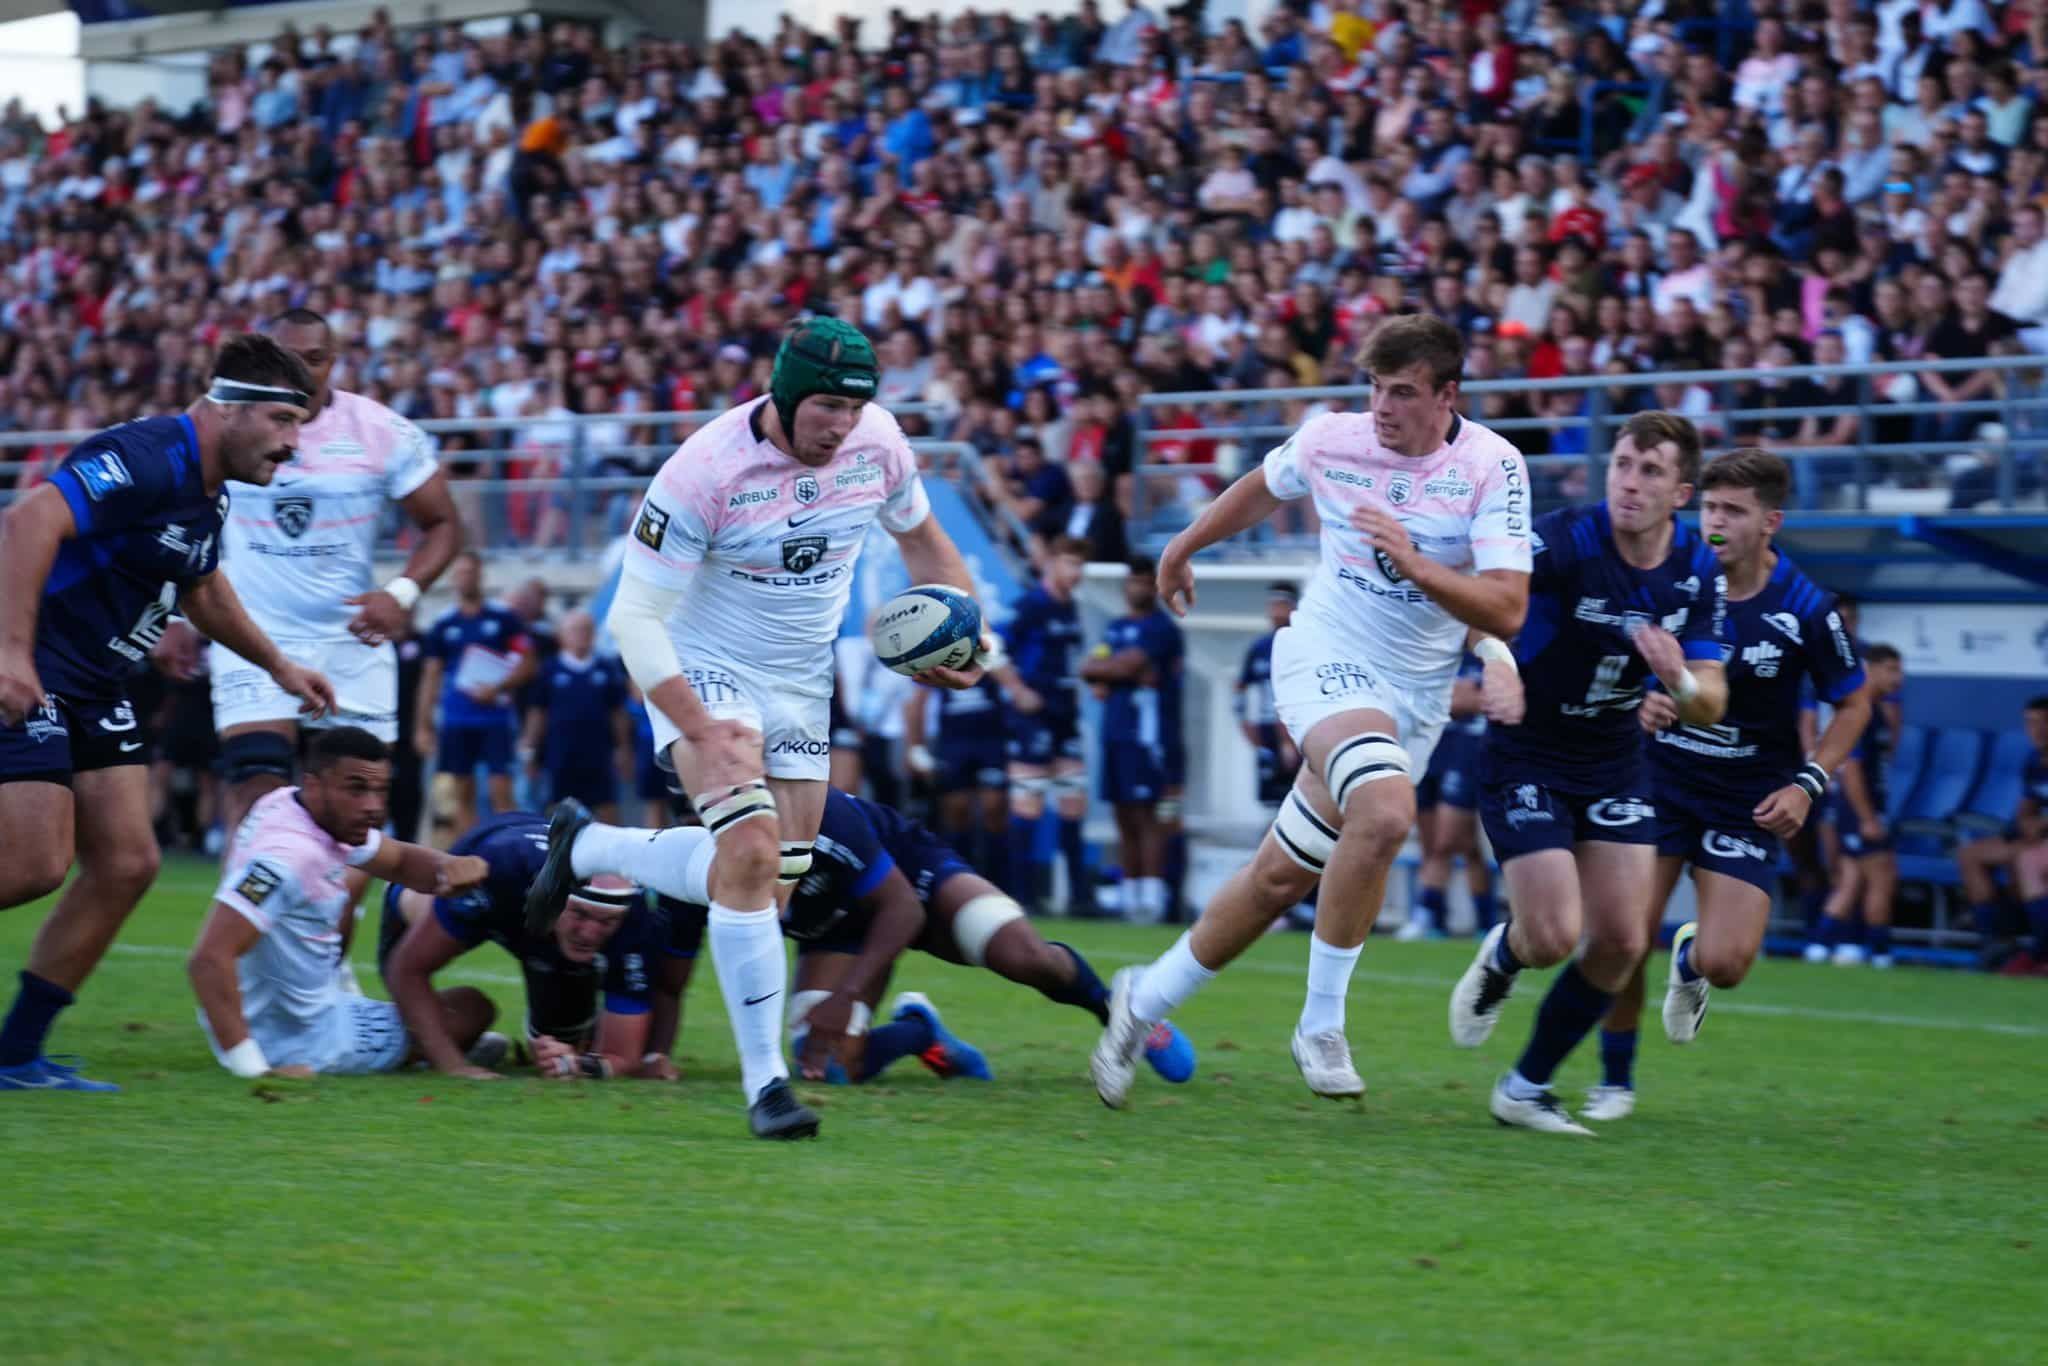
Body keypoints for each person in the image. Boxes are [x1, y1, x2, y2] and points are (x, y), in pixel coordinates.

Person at [530, 316, 992, 1140]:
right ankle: (767, 1087)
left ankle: (592, 846)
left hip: (802, 684)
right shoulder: (702, 470)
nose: (840, 426)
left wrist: (970, 638)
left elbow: (924, 540)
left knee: (764, 889)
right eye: (824, 408)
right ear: (782, 394)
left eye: (854, 409)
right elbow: (634, 620)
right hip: (705, 670)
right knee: (745, 854)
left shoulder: (879, 444)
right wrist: (699, 727)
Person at [1091, 315, 1532, 1109]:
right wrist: (1182, 546)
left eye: (1402, 392)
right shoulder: (1334, 438)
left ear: (1447, 394)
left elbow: (1505, 608)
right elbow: (1266, 485)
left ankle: (1141, 1000)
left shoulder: (1493, 467)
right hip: (1325, 653)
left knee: (1277, 878)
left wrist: (1416, 562)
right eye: (1374, 388)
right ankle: (1321, 1023)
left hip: (1417, 693)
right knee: (1388, 811)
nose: (1383, 407)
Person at [0, 336, 337, 1093]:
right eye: (283, 421)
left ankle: (15, 1054)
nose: (291, 445)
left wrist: (279, 666)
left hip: (98, 681)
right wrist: (11, 654)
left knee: (127, 864)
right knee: (31, 864)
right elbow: (26, 524)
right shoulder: (150, 455)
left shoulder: (208, 491)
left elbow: (203, 589)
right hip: (41, 665)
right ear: (227, 410)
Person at [1445, 410, 1729, 1135]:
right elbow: (1485, 603)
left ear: (1682, 493)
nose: (1630, 482)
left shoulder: (1695, 567)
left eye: (1651, 471)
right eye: (1624, 464)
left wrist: (1684, 687)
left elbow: (1710, 697)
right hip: (1528, 748)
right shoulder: (1567, 537)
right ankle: (1507, 956)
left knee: (1624, 941)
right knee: (1549, 937)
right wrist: (1497, 663)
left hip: (1614, 761)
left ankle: (1525, 1088)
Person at [1587, 449, 1872, 1121]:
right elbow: (1611, 662)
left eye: (1734, 512)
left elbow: (1855, 704)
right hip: (1659, 780)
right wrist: (1641, 704)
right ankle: (1614, 1082)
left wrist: (1808, 782)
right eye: (1710, 507)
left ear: (1770, 521)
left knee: (1729, 964)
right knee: (1622, 936)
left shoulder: (1805, 606)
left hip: (1748, 799)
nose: (1716, 523)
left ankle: (1693, 960)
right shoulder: (1669, 576)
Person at [200, 308, 462, 846]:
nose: (301, 369)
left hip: (352, 643)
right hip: (252, 635)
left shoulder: (381, 431)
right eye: (286, 359)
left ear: (333, 362)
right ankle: (242, 926)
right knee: (259, 806)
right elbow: (181, 514)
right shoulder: (226, 425)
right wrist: (179, 609)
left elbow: (443, 526)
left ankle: (328, 935)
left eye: (314, 359)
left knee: (352, 819)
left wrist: (401, 594)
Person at [768, 788, 1194, 1087]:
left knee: (1026, 957)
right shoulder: (706, 839)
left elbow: (903, 910)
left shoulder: (821, 811)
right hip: (836, 924)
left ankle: (1120, 1008)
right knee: (830, 1067)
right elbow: (697, 938)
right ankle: (921, 1032)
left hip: (910, 883)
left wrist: (845, 997)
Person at [186, 728, 497, 1079]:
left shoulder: (292, 804)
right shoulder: (288, 859)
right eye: (357, 789)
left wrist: (447, 867)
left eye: (380, 791)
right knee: (472, 1008)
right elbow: (207, 959)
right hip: (305, 1041)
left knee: (357, 880)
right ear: (315, 784)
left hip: (309, 1011)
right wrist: (252, 1069)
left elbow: (397, 861)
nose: (373, 807)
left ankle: (421, 1043)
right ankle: (421, 1050)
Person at [380, 808, 709, 1079]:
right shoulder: (499, 872)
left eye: (606, 922)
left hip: (543, 923)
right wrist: (454, 1066)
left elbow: (624, 1056)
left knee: (560, 1039)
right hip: (489, 884)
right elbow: (407, 969)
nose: (590, 932)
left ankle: (462, 1037)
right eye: (580, 914)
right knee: (459, 1006)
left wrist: (577, 1064)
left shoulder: (633, 921)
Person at [1079, 557, 1185, 924]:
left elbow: (1119, 668)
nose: (1137, 588)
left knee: (1148, 817)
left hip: (1148, 736)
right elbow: (1090, 669)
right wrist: (1109, 672)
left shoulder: (1161, 629)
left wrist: (1109, 673)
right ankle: (1130, 895)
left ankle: (1152, 899)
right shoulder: (1116, 628)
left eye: (1144, 581)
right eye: (1133, 581)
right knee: (1123, 815)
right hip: (1117, 732)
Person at [992, 537, 1090, 912]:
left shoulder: (1071, 608)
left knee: (1072, 802)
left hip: (1065, 717)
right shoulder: (1032, 604)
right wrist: (1017, 690)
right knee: (1028, 806)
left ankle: (1081, 898)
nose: (1076, 572)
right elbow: (991, 647)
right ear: (1051, 563)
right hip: (1032, 718)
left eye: (1080, 565)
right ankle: (1022, 897)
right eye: (1069, 563)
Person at [415, 550, 538, 841]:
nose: (464, 579)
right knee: (462, 795)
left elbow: (529, 663)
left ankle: (512, 852)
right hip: (457, 720)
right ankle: (472, 861)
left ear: (481, 575)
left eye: (470, 572)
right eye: (459, 573)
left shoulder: (503, 618)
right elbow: (430, 677)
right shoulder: (444, 625)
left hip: (494, 719)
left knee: (501, 791)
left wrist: (498, 688)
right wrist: (422, 725)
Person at [1807, 644, 1905, 967]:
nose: (1898, 678)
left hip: (1858, 811)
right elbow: (1851, 769)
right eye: (1891, 669)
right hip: (1860, 811)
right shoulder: (1861, 712)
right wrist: (1868, 818)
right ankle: (1879, 952)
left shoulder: (1876, 711)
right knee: (1882, 878)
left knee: (1850, 881)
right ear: (1871, 669)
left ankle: (1822, 945)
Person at [1398, 652, 1498, 941]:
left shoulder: (1488, 655)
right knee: (1440, 845)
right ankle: (1473, 919)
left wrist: (1459, 699)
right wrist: (1458, 698)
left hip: (1467, 754)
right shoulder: (1440, 652)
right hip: (1430, 752)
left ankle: (1426, 912)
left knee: (1447, 842)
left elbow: (1478, 701)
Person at [1958, 697, 2048, 974]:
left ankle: (2040, 953)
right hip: (2036, 838)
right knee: (1970, 854)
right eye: (2031, 723)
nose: (2037, 730)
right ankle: (1996, 943)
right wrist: (2028, 824)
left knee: (2027, 860)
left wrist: (2041, 825)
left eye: (2044, 723)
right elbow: (2026, 809)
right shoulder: (2035, 761)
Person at [520, 609, 632, 822]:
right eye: (575, 630)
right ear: (561, 635)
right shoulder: (549, 670)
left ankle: (610, 854)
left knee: (607, 809)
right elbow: (537, 712)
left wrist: (623, 748)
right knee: (558, 811)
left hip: (598, 754)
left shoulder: (606, 669)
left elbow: (618, 713)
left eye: (586, 629)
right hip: (560, 754)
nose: (582, 634)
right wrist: (530, 748)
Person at [904, 677, 1010, 894]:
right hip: (954, 743)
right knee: (956, 814)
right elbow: (916, 701)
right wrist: (915, 746)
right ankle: (959, 883)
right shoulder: (940, 653)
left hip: (991, 741)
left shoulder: (991, 650)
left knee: (994, 810)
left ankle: (999, 885)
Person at [1236, 583, 1300, 810]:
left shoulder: (1302, 645)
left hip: (1297, 732)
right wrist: (1243, 722)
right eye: (1273, 605)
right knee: (1273, 802)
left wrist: (1289, 739)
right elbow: (1241, 687)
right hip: (1267, 731)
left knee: (1299, 800)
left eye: (1282, 604)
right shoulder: (1260, 648)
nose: (1276, 610)